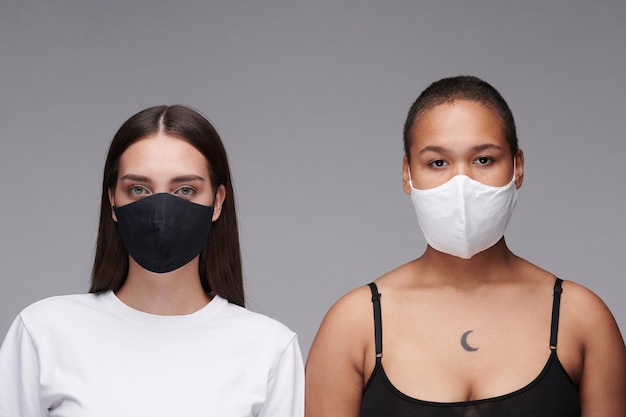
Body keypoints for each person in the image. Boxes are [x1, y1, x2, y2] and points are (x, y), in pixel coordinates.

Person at [305, 76, 626, 417]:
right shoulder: (354, 325)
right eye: (437, 163)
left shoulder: (582, 319)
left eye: (484, 160)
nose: (462, 184)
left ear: (517, 167)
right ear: (407, 173)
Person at [0, 105, 304, 416]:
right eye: (139, 189)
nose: (160, 210)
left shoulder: (269, 348)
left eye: (185, 190)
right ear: (113, 202)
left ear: (217, 202)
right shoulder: (43, 331)